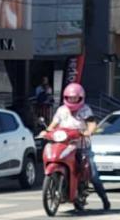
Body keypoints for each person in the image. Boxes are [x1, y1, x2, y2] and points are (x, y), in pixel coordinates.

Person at [43, 82, 110, 210]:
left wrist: (89, 131)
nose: (72, 100)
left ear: (81, 98)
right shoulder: (61, 110)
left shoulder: (85, 110)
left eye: (75, 98)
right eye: (70, 97)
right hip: (64, 144)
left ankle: (104, 199)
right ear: (65, 97)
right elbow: (53, 124)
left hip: (81, 146)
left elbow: (91, 123)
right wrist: (46, 131)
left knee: (93, 175)